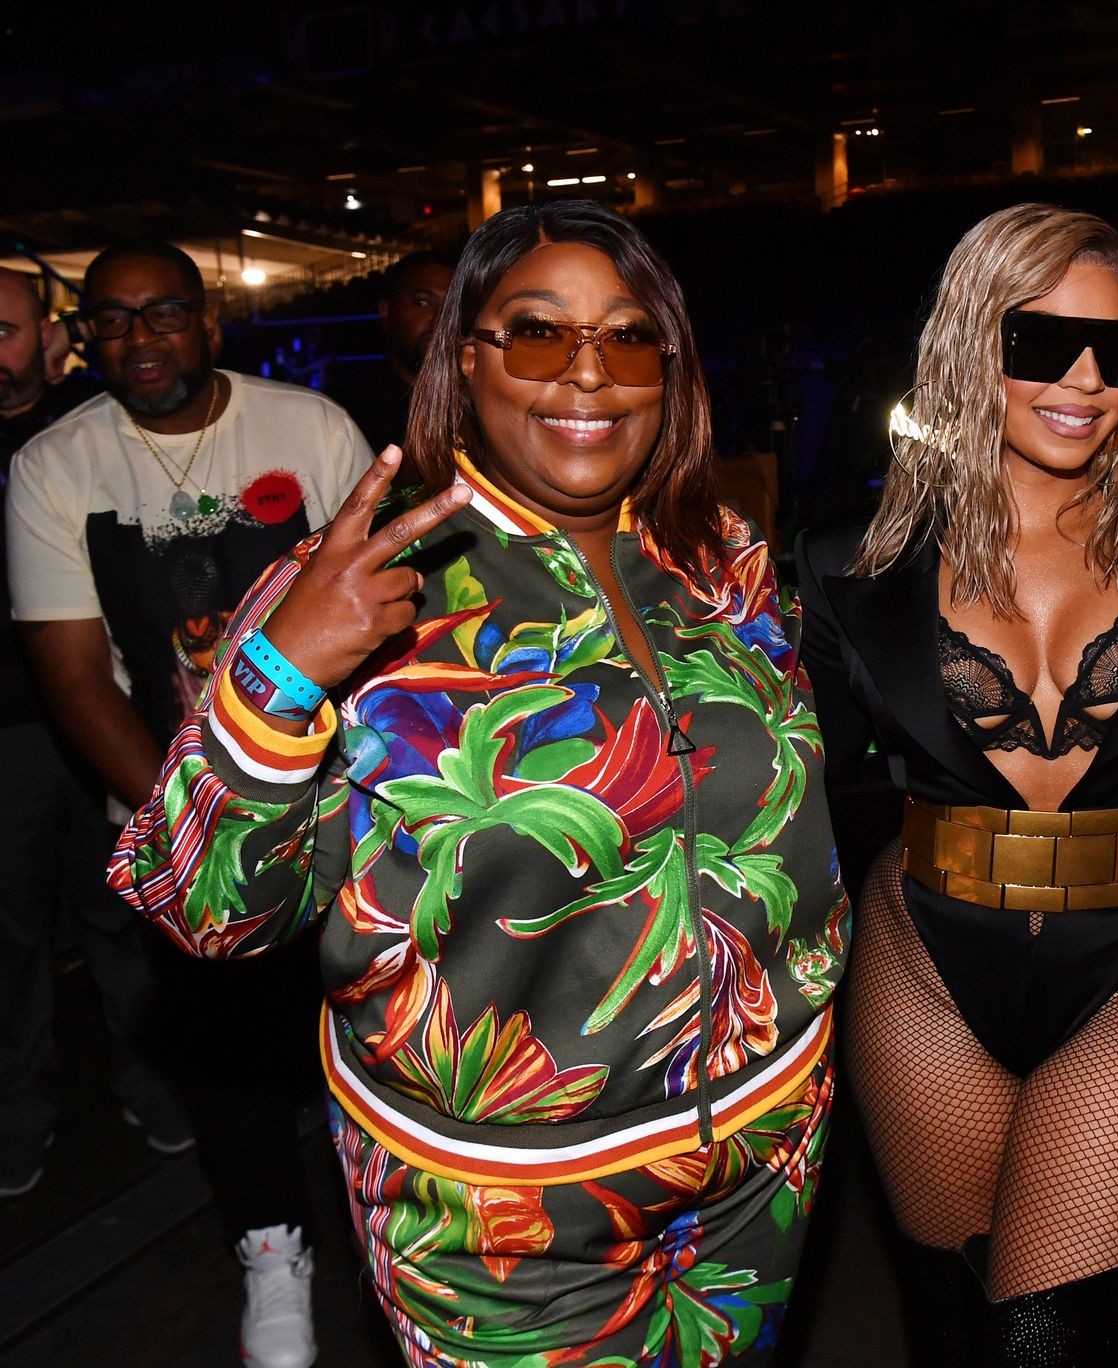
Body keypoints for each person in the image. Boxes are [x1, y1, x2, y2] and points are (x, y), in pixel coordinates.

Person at [111, 200, 845, 1368]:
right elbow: (199, 908)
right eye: (540, 334)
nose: (589, 374)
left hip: (767, 1161)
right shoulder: (362, 588)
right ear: (466, 359)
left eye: (629, 337)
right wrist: (278, 676)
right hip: (500, 1220)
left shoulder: (721, 555)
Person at [795, 204, 1118, 1365]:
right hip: (926, 966)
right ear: (967, 343)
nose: (1085, 381)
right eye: (1042, 344)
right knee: (955, 1327)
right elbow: (775, 790)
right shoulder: (846, 566)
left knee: (1051, 1342)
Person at [7, 240, 372, 1365]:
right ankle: (272, 1248)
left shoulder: (309, 428)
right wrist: (202, 821)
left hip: (341, 798)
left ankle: (392, 1230)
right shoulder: (55, 465)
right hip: (173, 807)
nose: (139, 339)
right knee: (222, 1044)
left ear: (209, 323)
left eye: (162, 312)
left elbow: (384, 611)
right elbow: (76, 679)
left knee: (368, 1025)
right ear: (85, 339)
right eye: (112, 321)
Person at [0, 266, 184, 1200]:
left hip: (102, 711)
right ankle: (17, 1113)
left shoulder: (99, 429)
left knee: (123, 912)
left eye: (5, 331)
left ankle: (151, 1083)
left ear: (49, 336)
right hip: (5, 732)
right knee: (9, 934)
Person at [325, 250, 457, 453]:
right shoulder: (346, 418)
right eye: (422, 302)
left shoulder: (480, 407)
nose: (441, 319)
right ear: (386, 311)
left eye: (453, 306)